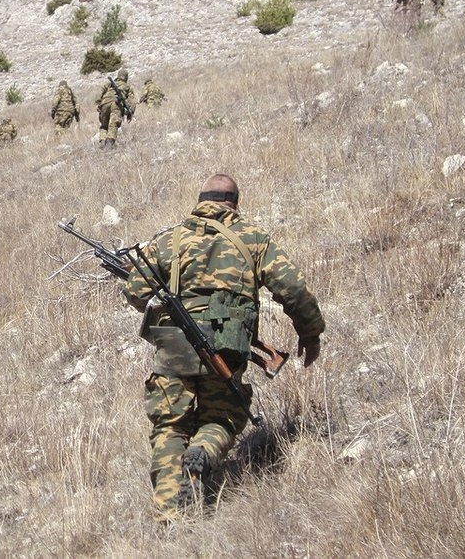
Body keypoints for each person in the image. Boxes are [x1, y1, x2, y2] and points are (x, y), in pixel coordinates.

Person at [119, 174, 325, 519]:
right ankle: (203, 452)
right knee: (223, 416)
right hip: (225, 346)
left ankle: (170, 515)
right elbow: (292, 289)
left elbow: (136, 293)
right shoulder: (254, 239)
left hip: (175, 346)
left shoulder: (169, 240)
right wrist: (310, 333)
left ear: (200, 201)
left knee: (170, 426)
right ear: (235, 204)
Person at [95, 69, 136, 148]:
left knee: (104, 125)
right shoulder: (127, 87)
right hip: (116, 105)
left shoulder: (110, 84)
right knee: (113, 124)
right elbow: (132, 102)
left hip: (104, 104)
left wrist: (98, 103)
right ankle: (109, 145)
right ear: (126, 77)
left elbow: (100, 91)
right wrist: (130, 112)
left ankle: (102, 141)